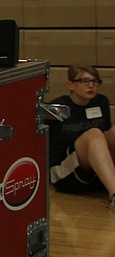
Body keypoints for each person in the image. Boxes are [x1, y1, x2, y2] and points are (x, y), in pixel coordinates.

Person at [47, 65, 115, 210]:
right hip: (64, 172)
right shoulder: (58, 107)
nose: (91, 86)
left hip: (93, 168)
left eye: (95, 81)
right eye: (85, 81)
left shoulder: (101, 102)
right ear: (71, 85)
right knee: (94, 133)